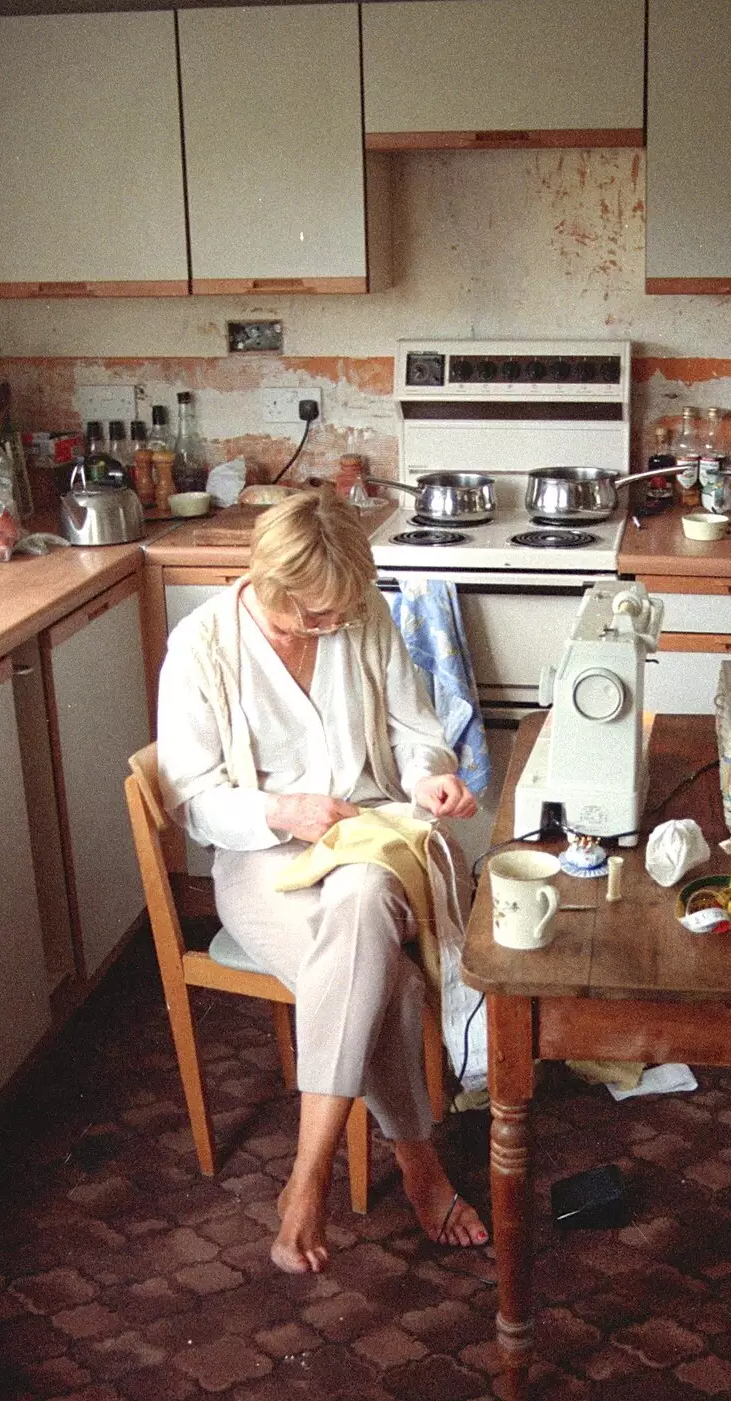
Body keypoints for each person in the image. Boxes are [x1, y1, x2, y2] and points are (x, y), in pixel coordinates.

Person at [156, 486, 487, 1272]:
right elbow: (192, 802)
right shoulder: (201, 645)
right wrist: (281, 810)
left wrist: (429, 779)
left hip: (372, 840)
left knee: (366, 893)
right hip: (260, 863)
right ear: (266, 586)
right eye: (312, 617)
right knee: (392, 989)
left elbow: (417, 734)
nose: (333, 626)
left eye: (343, 611)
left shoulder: (362, 614)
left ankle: (305, 1179)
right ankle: (419, 1166)